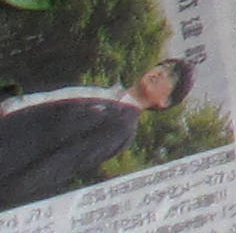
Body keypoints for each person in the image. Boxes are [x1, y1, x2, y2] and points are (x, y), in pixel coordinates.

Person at [0, 61, 195, 212]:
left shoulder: (121, 127)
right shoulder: (103, 93)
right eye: (163, 66)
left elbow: (62, 164)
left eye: (171, 76)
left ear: (165, 102)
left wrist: (7, 191)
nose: (161, 73)